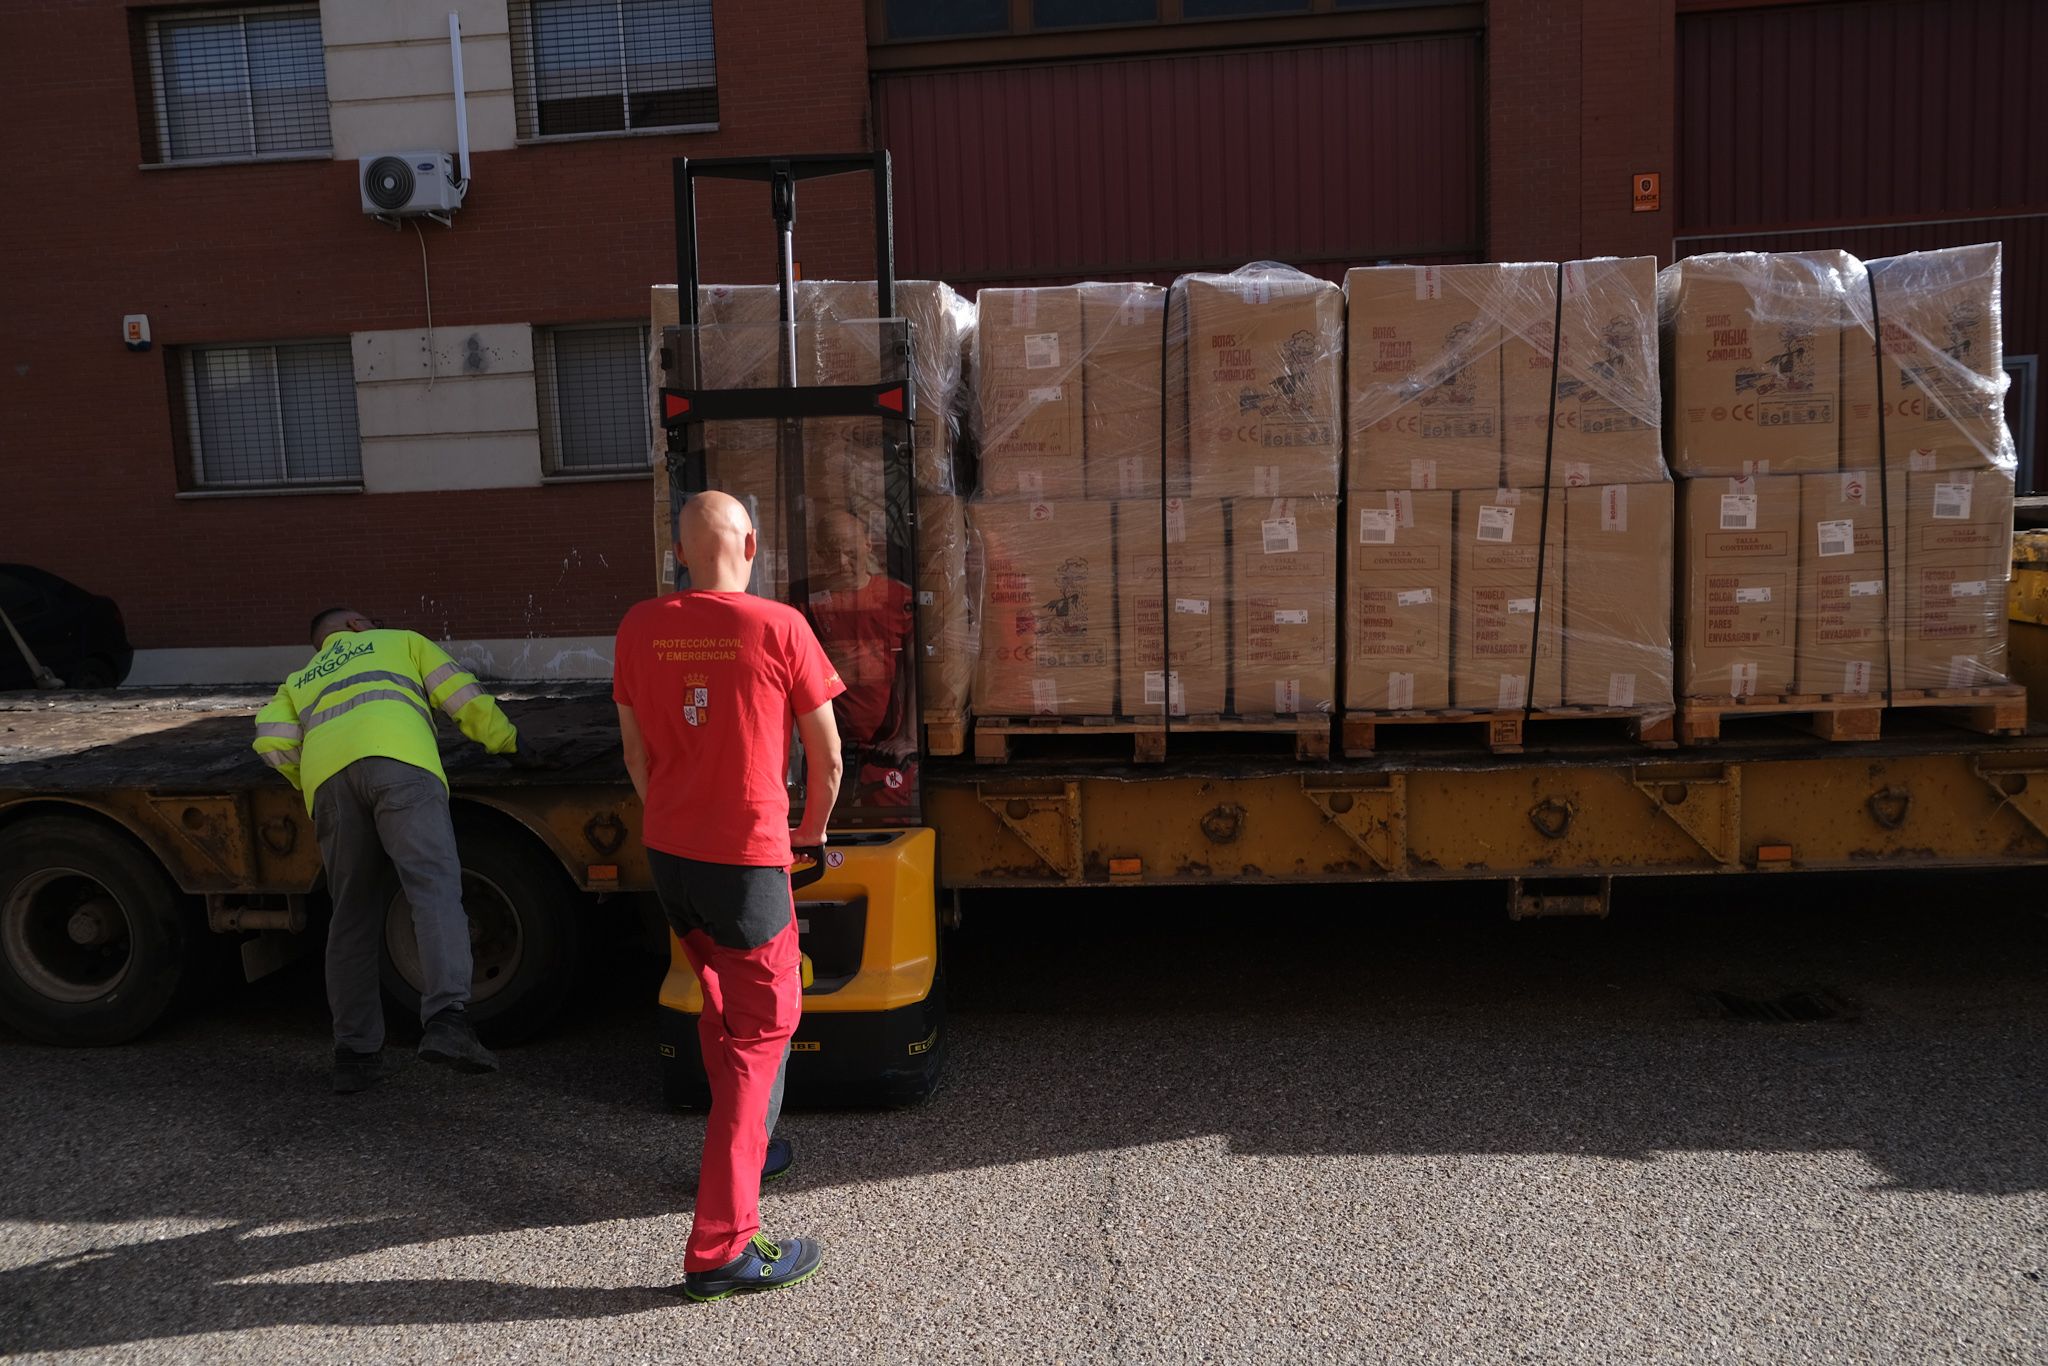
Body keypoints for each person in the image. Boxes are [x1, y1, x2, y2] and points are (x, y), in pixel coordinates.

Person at [613, 490, 844, 1302]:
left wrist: (673, 820)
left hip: (671, 856)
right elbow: (831, 757)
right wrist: (811, 833)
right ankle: (721, 1249)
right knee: (766, 1030)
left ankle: (749, 1151)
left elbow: (636, 757)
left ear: (681, 552)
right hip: (746, 860)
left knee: (720, 1012)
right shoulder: (777, 625)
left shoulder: (640, 626)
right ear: (751, 542)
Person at [252, 608, 523, 1093]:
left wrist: (311, 775)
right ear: (356, 623)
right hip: (401, 764)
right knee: (432, 888)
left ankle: (354, 1056)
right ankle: (447, 1021)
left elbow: (271, 739)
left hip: (331, 785)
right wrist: (507, 743)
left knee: (351, 914)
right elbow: (462, 697)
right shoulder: (400, 641)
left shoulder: (299, 679)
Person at [793, 506, 917, 809]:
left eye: (850, 552)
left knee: (888, 830)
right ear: (819, 553)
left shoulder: (897, 598)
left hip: (885, 747)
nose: (842, 563)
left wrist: (908, 735)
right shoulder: (804, 600)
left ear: (867, 545)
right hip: (824, 746)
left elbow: (917, 668)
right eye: (831, 553)